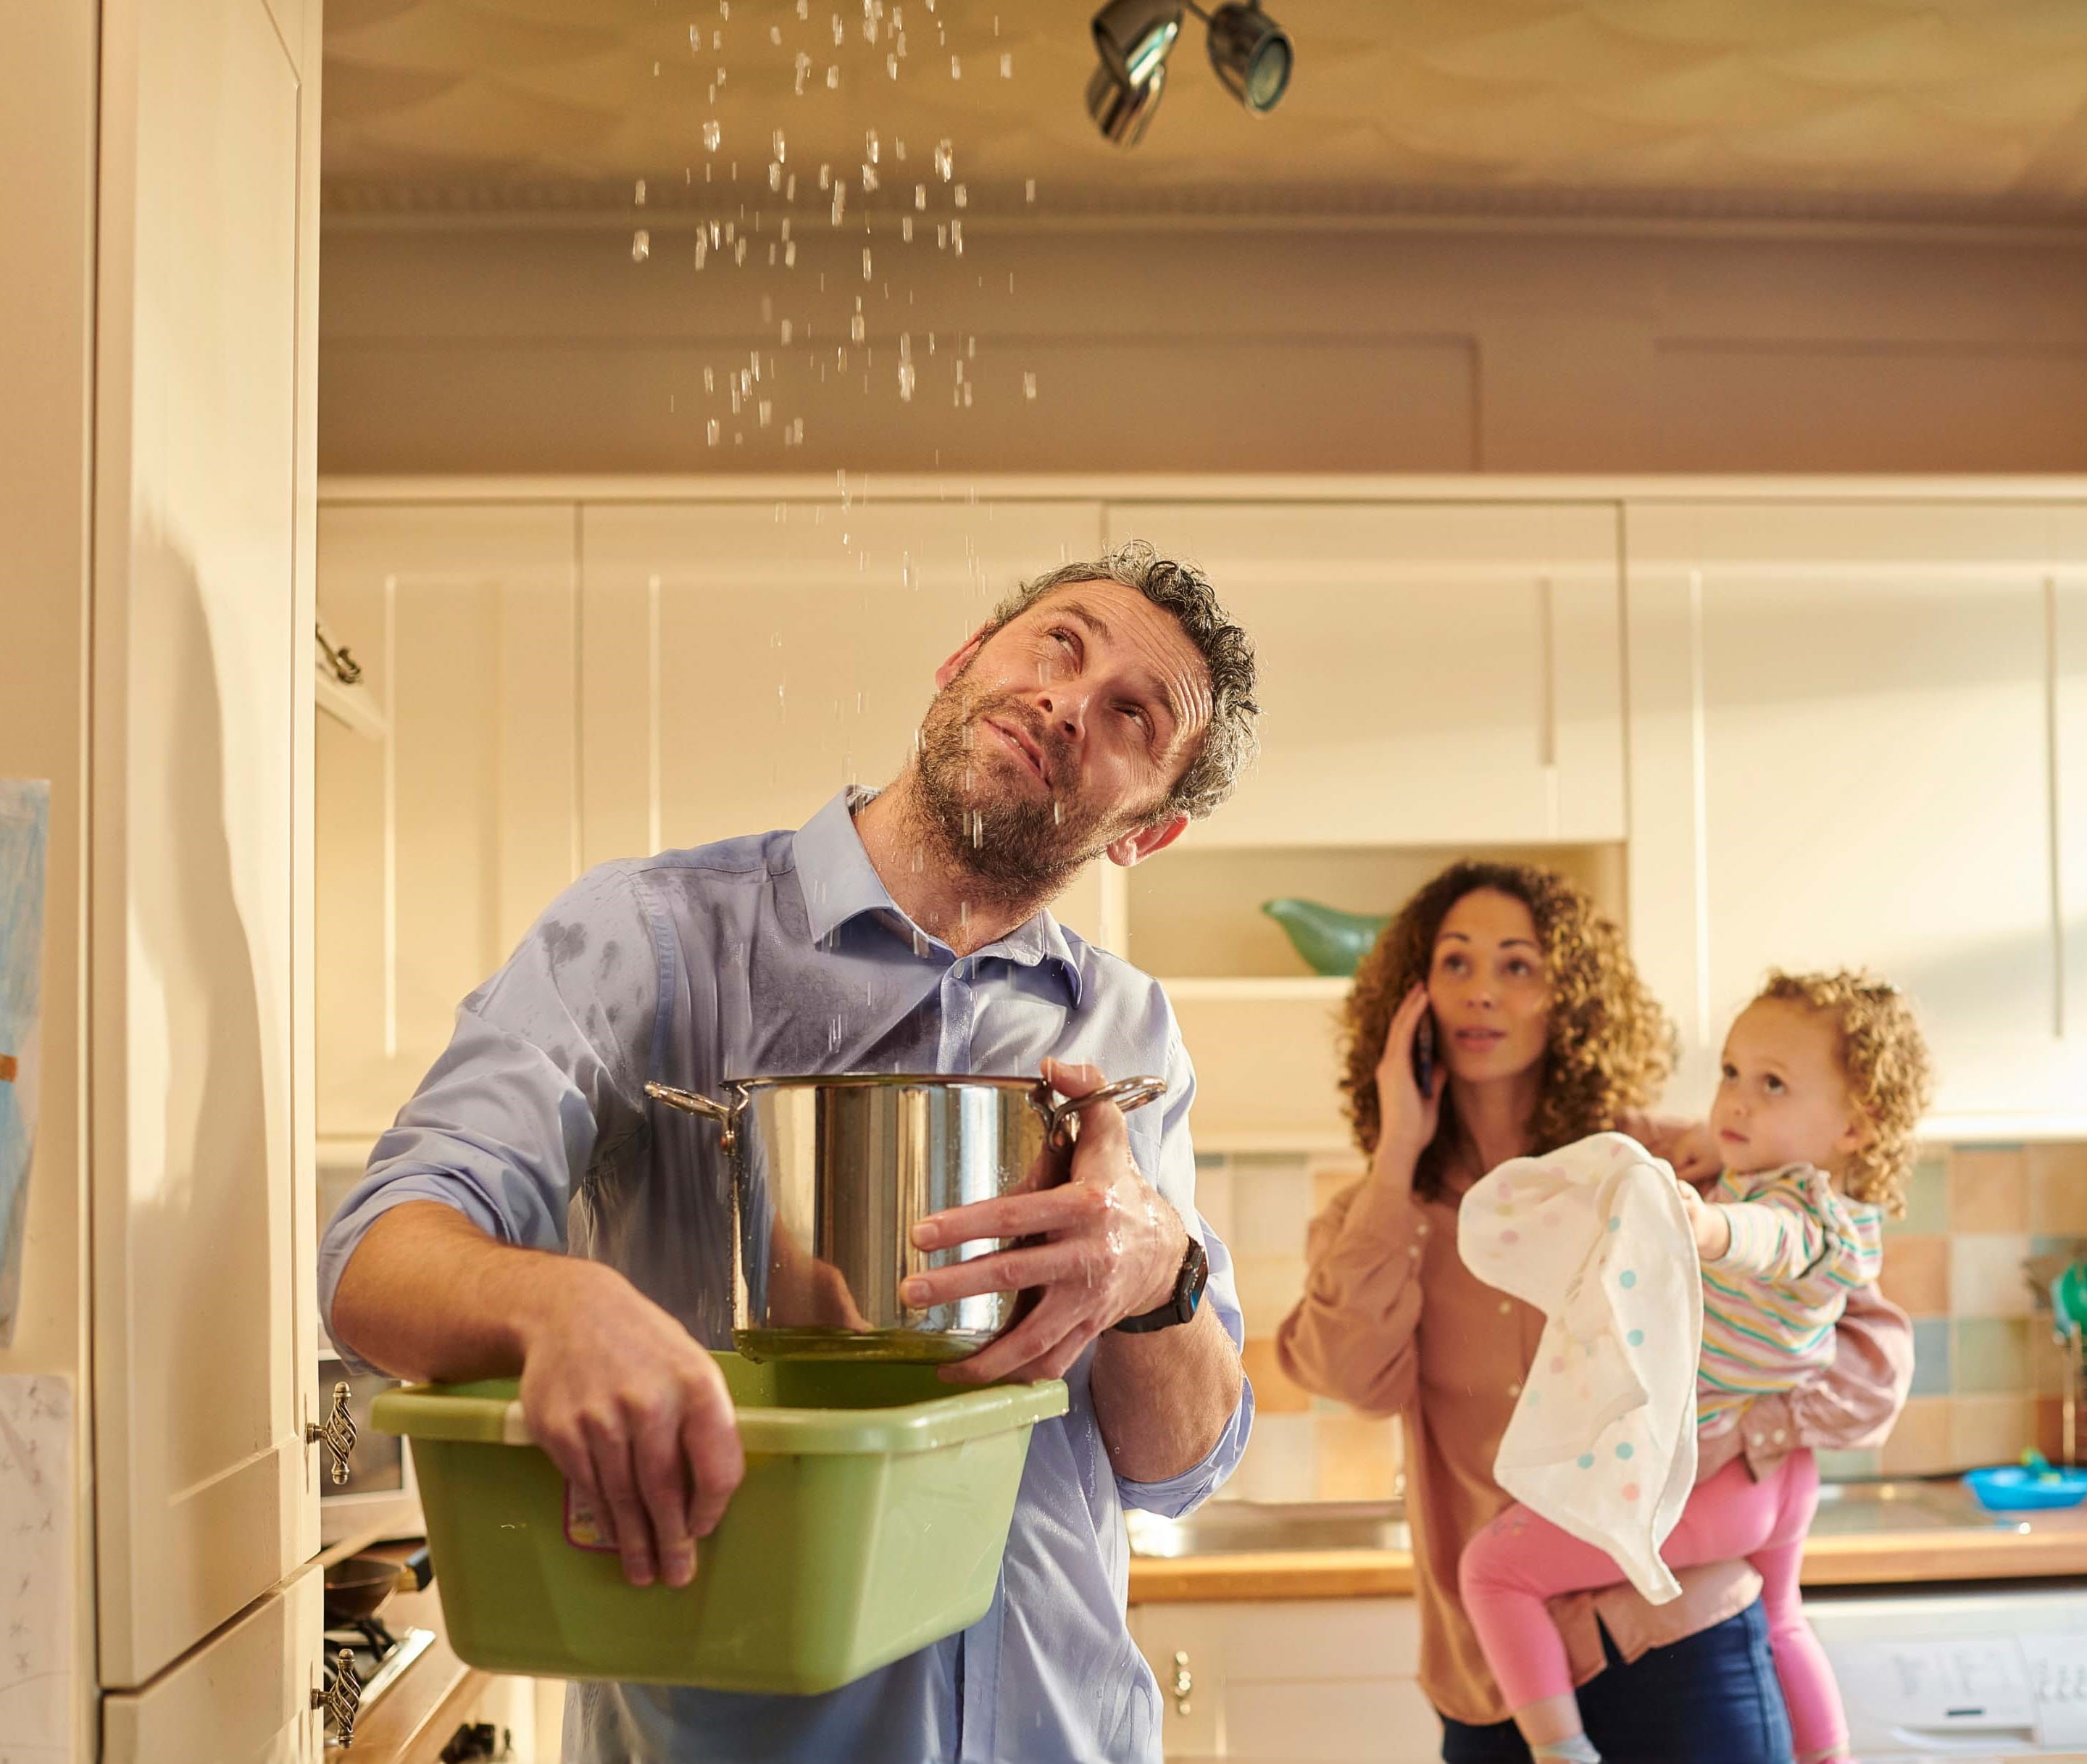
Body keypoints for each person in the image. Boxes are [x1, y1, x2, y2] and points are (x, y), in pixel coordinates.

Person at [320, 544, 1261, 1764]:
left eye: (1132, 713)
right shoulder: (652, 936)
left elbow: (1180, 1465)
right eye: (1059, 643)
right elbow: (376, 1256)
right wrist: (561, 1303)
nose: (1067, 702)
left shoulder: (1126, 1030)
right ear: (963, 658)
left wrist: (1161, 1271)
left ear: (1150, 830)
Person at [1275, 865, 1914, 1764]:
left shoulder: (1662, 1167)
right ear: (1410, 1002)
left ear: (1569, 1000)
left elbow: (1872, 1361)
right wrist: (1395, 1157)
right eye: (1455, 964)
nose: (1483, 992)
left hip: (1683, 1641)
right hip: (1496, 1680)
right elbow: (1349, 1379)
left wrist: (1743, 1426)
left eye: (1519, 966)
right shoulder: (1381, 1216)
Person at [1459, 970, 1933, 1764]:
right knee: (1783, 1620)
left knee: (1491, 1570)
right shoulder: (1838, 1209)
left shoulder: (1808, 1219)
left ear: (1858, 1125)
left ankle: (1561, 1752)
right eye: (1732, 1073)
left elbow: (1768, 1237)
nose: (1739, 1100)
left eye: (1773, 1083)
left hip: (1721, 1481)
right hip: (1778, 1477)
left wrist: (1710, 1226)